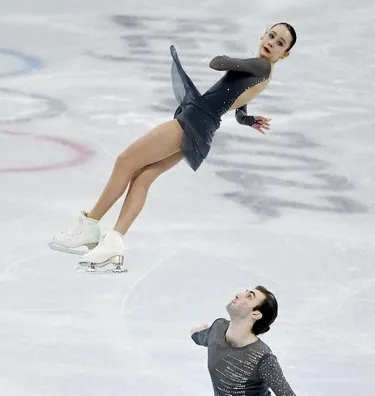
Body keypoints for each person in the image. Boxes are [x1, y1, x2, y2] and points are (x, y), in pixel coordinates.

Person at [49, 23, 297, 271]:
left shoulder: (261, 65)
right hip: (204, 128)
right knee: (143, 177)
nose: (272, 43)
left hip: (195, 119)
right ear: (263, 34)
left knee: (125, 162)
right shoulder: (262, 73)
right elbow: (239, 109)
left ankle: (90, 226)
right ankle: (114, 242)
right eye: (271, 36)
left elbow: (217, 63)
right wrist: (250, 120)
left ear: (284, 54)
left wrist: (230, 60)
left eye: (279, 44)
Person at [190, 286, 296, 395]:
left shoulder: (262, 358)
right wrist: (196, 332)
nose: (237, 295)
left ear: (255, 314)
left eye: (249, 297)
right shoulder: (217, 329)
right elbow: (198, 336)